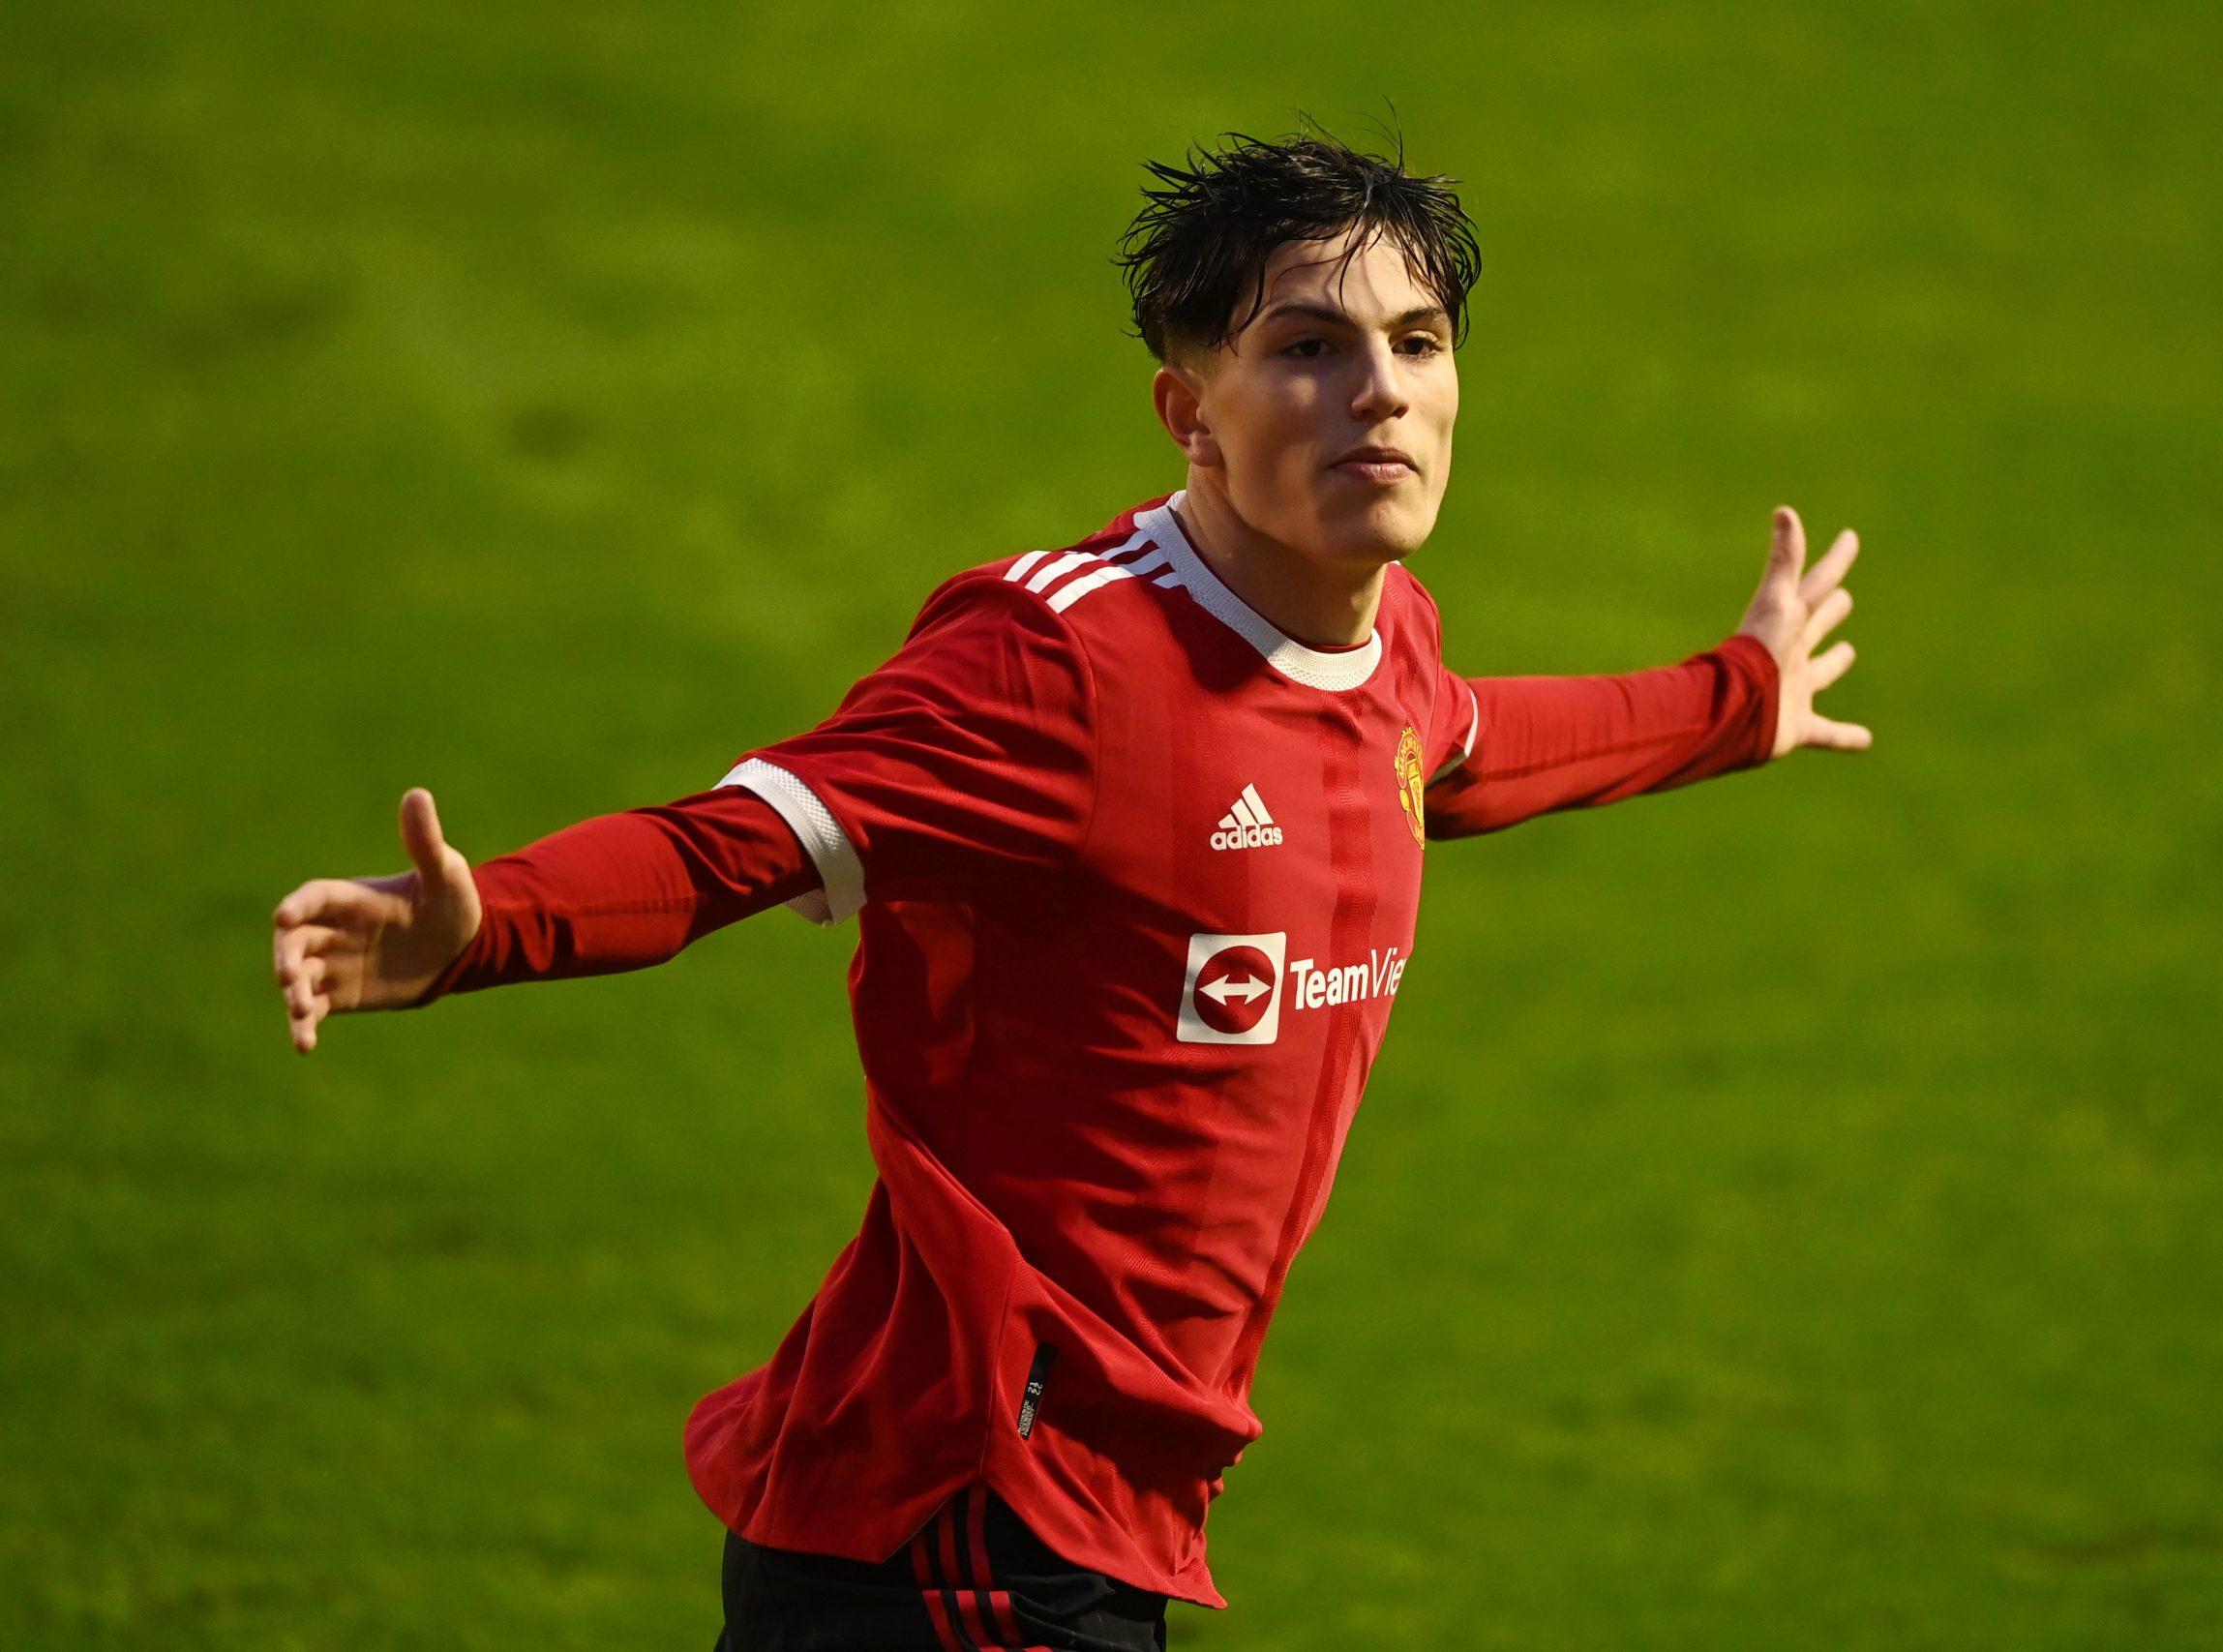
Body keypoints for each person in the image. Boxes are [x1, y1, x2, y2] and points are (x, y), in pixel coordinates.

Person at [270, 131, 1870, 1650]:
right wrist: (488, 928)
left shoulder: (1387, 648)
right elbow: (729, 846)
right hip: (954, 1525)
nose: (1377, 391)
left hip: (1092, 1520)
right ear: (1191, 413)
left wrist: (1737, 699)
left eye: (1420, 339)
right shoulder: (1056, 665)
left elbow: (1457, 753)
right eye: (1307, 347)